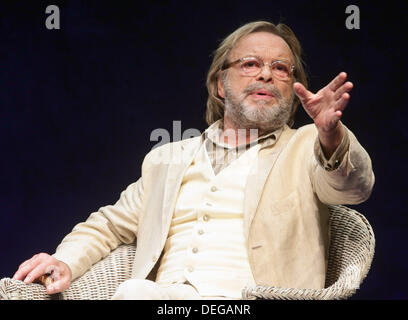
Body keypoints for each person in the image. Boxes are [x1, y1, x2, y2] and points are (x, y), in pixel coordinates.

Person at [12, 20, 374, 300]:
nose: (267, 73)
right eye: (251, 63)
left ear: (293, 89)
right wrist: (64, 260)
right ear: (220, 84)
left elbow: (354, 188)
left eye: (281, 68)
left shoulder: (310, 144)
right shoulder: (168, 158)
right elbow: (108, 224)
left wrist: (330, 134)